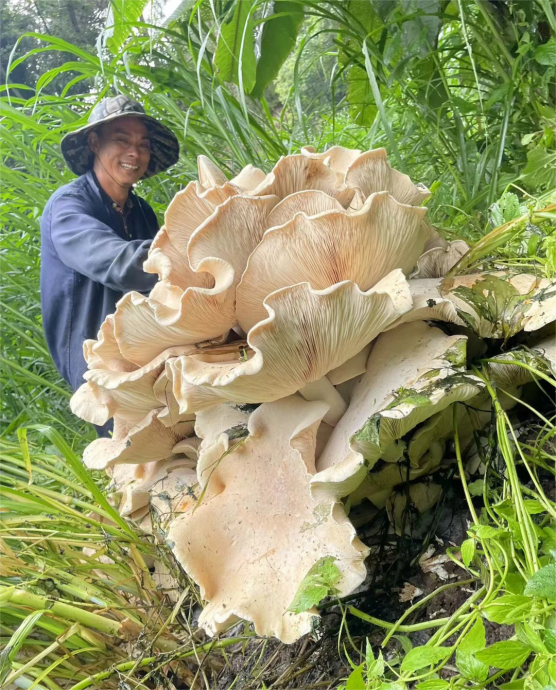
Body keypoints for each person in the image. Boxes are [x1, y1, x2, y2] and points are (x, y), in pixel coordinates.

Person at [40, 95, 179, 400]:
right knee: (131, 442)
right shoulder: (67, 207)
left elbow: (161, 283)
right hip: (95, 361)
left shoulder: (141, 211)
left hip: (142, 350)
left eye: (143, 144)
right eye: (122, 140)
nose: (135, 153)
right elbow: (121, 264)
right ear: (93, 142)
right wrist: (191, 247)